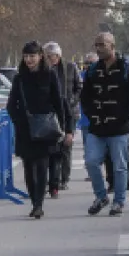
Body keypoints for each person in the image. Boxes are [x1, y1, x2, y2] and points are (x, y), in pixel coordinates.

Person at [8, 41, 73, 219]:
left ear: (40, 57)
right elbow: (11, 104)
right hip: (25, 130)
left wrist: (63, 128)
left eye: (32, 56)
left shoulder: (50, 75)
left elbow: (59, 102)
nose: (29, 60)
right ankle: (34, 200)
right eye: (26, 56)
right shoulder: (19, 78)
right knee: (29, 168)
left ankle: (39, 204)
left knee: (43, 166)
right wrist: (18, 121)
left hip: (46, 128)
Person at [81, 32, 129, 217]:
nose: (99, 48)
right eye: (96, 45)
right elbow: (85, 96)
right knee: (91, 162)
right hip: (97, 127)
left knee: (120, 166)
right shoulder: (93, 69)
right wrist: (92, 115)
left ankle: (119, 201)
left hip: (119, 127)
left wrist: (125, 116)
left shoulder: (126, 68)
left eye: (102, 45)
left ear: (112, 46)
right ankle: (101, 196)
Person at [44, 41, 81, 192]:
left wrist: (72, 100)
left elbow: (79, 87)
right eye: (47, 56)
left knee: (66, 145)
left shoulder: (70, 67)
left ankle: (64, 178)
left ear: (58, 55)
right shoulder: (44, 69)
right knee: (51, 148)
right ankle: (53, 179)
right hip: (50, 114)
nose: (49, 59)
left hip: (69, 111)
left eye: (51, 56)